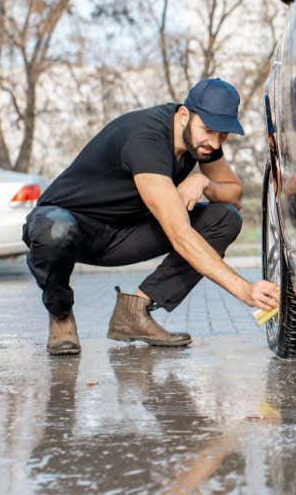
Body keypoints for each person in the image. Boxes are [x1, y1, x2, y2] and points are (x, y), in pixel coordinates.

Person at [23, 78, 280, 354]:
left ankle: (134, 312)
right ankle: (60, 314)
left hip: (124, 234)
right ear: (184, 115)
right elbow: (180, 235)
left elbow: (234, 195)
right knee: (56, 230)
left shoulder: (202, 142)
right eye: (208, 130)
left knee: (225, 218)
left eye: (223, 135)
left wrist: (203, 182)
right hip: (71, 227)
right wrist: (244, 290)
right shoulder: (146, 139)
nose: (215, 142)